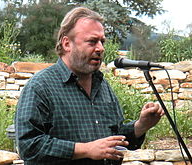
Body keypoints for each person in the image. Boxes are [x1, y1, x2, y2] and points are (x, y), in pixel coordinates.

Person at [15, 7, 164, 165]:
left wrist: (140, 126)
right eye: (92, 41)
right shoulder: (40, 87)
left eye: (102, 41)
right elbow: (29, 146)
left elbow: (114, 140)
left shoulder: (103, 87)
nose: (100, 48)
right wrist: (85, 149)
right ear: (67, 44)